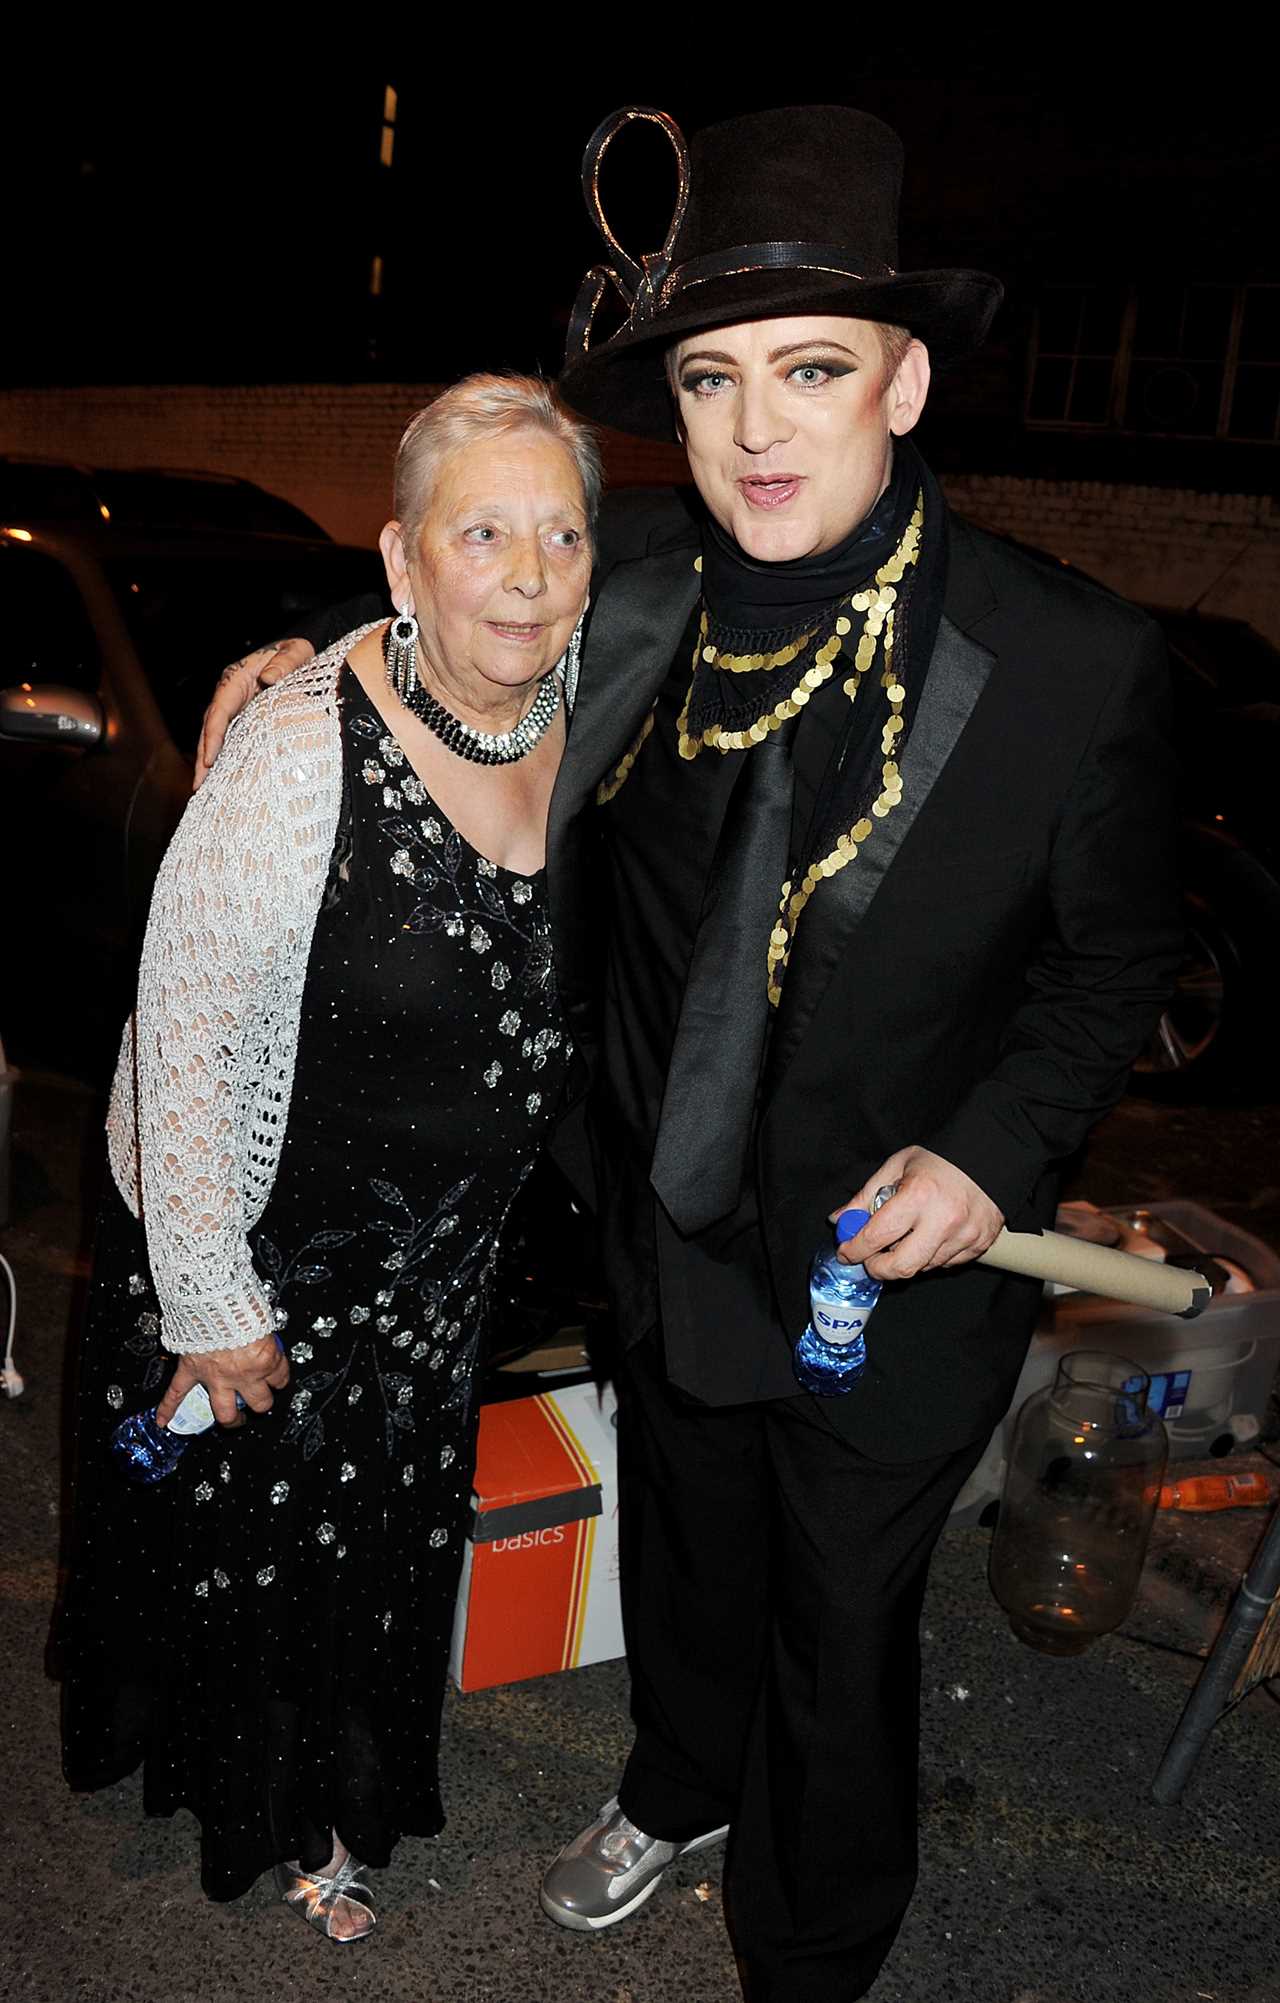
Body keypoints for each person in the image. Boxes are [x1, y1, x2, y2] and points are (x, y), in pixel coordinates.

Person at [198, 107, 1182, 2001]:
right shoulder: (634, 580)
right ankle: (674, 1781)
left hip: (891, 1271)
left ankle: (812, 1945)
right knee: (690, 1539)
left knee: (842, 1613)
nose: (755, 430)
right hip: (658, 1211)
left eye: (811, 371)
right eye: (715, 378)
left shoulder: (1074, 664)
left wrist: (993, 1151)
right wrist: (310, 657)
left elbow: (1114, 960)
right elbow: (460, 615)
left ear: (903, 380)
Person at [61, 375, 597, 1944]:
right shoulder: (297, 753)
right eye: (479, 532)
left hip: (438, 1277)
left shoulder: (597, 702)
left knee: (381, 1548)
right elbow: (188, 1033)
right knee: (255, 1555)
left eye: (558, 534)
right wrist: (209, 1296)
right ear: (403, 559)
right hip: (278, 1261)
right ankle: (277, 1811)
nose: (523, 570)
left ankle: (344, 1778)